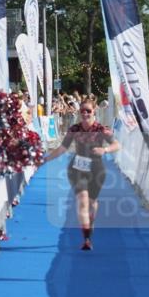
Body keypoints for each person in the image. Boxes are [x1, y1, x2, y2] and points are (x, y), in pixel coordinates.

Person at [41, 99, 119, 251]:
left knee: (92, 202)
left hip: (96, 169)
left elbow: (117, 144)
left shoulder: (101, 129)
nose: (85, 113)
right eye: (82, 110)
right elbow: (62, 148)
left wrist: (105, 150)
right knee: (83, 200)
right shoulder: (74, 129)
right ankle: (86, 239)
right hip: (77, 168)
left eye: (88, 111)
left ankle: (90, 222)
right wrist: (45, 160)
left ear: (94, 111)